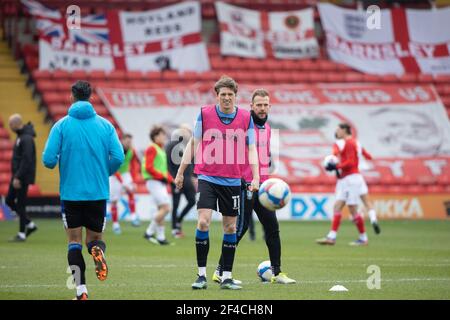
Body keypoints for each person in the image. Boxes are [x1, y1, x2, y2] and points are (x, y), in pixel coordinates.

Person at [175, 76, 260, 290]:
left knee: (230, 227)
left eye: (230, 95)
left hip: (232, 180)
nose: (227, 98)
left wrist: (256, 177)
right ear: (217, 95)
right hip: (207, 177)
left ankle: (227, 277)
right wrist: (180, 172)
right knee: (203, 221)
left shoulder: (245, 117)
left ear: (235, 96)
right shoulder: (204, 114)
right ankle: (201, 275)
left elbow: (251, 149)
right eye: (223, 94)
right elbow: (193, 143)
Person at [42, 80, 124, 300]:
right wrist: (103, 172)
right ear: (91, 97)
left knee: (74, 242)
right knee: (94, 238)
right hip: (97, 192)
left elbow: (48, 160)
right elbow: (119, 157)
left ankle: (81, 291)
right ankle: (97, 250)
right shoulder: (106, 126)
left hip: (71, 193)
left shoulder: (61, 126)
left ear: (72, 96)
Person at [213, 89, 296, 284]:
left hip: (263, 188)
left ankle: (277, 273)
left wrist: (266, 179)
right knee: (239, 229)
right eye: (258, 105)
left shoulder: (267, 129)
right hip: (245, 186)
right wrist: (240, 179)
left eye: (265, 104)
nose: (262, 108)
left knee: (272, 229)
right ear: (251, 106)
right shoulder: (241, 125)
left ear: (270, 106)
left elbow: (263, 157)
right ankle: (220, 271)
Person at [316, 123, 370, 246]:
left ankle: (363, 238)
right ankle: (331, 237)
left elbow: (350, 162)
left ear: (344, 130)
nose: (336, 132)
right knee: (337, 207)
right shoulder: (348, 143)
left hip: (351, 179)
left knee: (352, 210)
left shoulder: (349, 143)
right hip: (346, 179)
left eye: (338, 130)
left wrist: (336, 166)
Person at [6, 114, 38, 242]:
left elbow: (27, 160)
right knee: (10, 201)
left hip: (21, 176)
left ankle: (22, 233)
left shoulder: (26, 138)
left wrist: (18, 177)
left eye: (10, 124)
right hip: (18, 175)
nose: (10, 127)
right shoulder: (22, 136)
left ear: (15, 124)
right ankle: (29, 225)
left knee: (20, 204)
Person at [142, 125, 173, 245]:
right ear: (155, 137)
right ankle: (149, 232)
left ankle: (161, 237)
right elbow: (148, 167)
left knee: (162, 209)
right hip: (154, 181)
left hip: (159, 181)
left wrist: (172, 180)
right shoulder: (152, 148)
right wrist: (164, 177)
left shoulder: (160, 149)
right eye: (161, 134)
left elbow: (163, 170)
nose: (164, 137)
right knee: (166, 208)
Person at [166, 124, 196, 238]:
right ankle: (175, 228)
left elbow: (191, 163)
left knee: (192, 201)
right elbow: (168, 164)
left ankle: (178, 220)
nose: (189, 133)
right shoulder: (171, 145)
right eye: (187, 131)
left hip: (187, 179)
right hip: (176, 179)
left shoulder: (187, 145)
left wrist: (193, 176)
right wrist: (173, 178)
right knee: (176, 203)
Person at [109, 133, 140, 234]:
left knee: (131, 191)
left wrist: (134, 181)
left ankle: (134, 216)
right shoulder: (115, 151)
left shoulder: (132, 151)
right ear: (121, 141)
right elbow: (113, 167)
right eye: (127, 141)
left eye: (130, 141)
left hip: (125, 174)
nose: (129, 143)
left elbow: (135, 166)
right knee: (114, 201)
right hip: (114, 175)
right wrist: (123, 184)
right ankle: (115, 224)